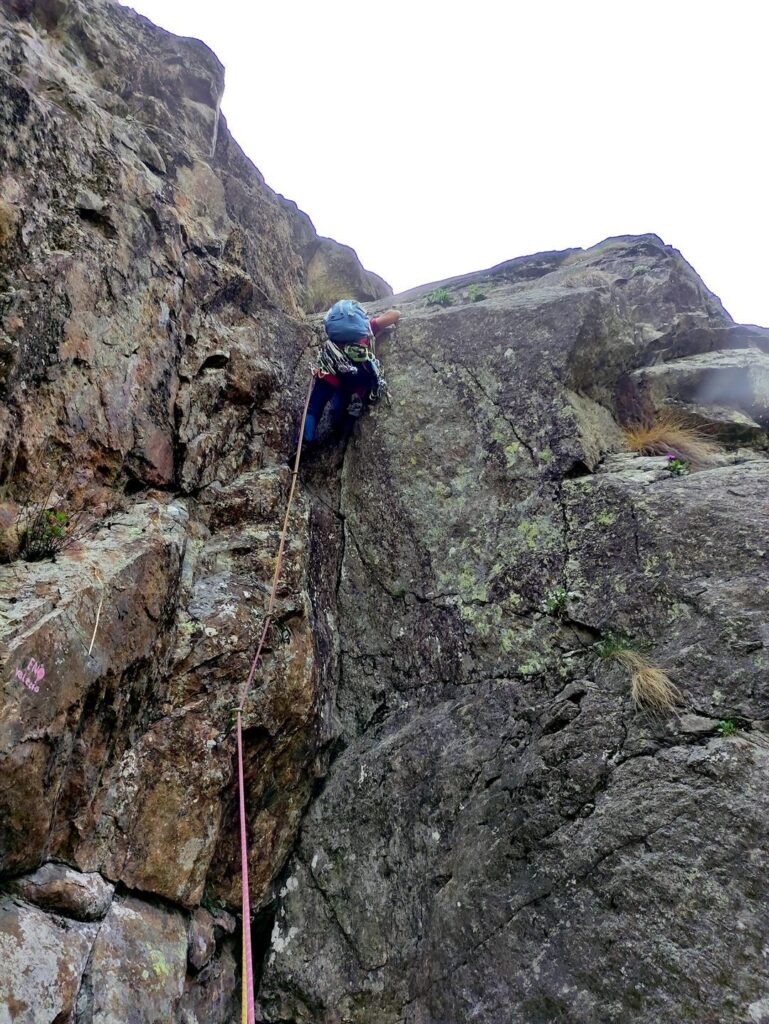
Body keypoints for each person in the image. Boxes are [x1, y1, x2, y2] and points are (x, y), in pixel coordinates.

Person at [300, 301, 400, 456]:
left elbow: (315, 404)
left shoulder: (332, 344)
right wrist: (369, 321)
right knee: (341, 408)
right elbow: (395, 315)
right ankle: (346, 424)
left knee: (316, 407)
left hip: (333, 378)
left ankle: (308, 439)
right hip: (360, 381)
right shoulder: (365, 333)